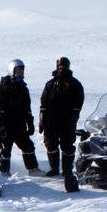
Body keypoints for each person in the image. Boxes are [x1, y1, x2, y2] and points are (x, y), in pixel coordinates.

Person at [38, 57, 85, 187]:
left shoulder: (75, 84)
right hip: (51, 120)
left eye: (64, 66)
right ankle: (54, 168)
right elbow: (43, 101)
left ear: (68, 67)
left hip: (67, 121)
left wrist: (75, 114)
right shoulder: (50, 84)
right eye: (59, 66)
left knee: (67, 145)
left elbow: (79, 100)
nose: (61, 68)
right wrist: (42, 118)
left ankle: (67, 170)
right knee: (50, 144)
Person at [0, 59, 40, 175]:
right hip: (6, 124)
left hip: (20, 124)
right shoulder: (3, 87)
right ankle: (3, 172)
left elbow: (27, 109)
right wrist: (0, 126)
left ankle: (33, 169)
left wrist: (30, 123)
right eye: (18, 71)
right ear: (11, 71)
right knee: (5, 148)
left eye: (22, 71)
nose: (20, 74)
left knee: (28, 145)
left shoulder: (23, 88)